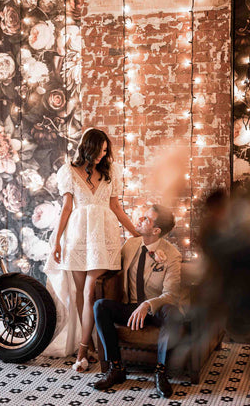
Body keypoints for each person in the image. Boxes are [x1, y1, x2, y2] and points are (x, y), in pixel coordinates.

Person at [44, 128, 139, 371]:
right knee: (79, 293)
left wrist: (135, 232)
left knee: (88, 293)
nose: (102, 156)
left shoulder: (111, 172)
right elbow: (66, 209)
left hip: (103, 237)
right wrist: (56, 241)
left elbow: (116, 207)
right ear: (88, 147)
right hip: (76, 237)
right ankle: (90, 344)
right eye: (99, 151)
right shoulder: (68, 171)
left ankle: (82, 352)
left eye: (106, 151)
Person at [93, 204, 182, 398]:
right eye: (142, 216)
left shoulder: (172, 255)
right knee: (100, 306)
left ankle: (161, 372)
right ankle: (116, 368)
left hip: (156, 309)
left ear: (156, 230)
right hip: (130, 307)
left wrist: (147, 305)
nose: (140, 220)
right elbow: (111, 262)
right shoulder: (130, 245)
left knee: (173, 312)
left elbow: (171, 294)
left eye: (146, 219)